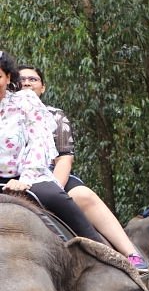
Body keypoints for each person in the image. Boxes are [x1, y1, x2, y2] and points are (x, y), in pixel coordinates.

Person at [18, 64, 149, 270]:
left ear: (43, 87)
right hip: (14, 177)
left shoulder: (54, 116)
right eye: (21, 79)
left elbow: (64, 158)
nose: (26, 82)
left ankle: (128, 253)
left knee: (82, 195)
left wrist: (52, 190)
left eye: (32, 79)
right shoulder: (6, 114)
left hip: (51, 175)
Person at [0, 51, 108, 247]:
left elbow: (38, 140)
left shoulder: (25, 101)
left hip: (26, 177)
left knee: (55, 197)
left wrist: (24, 180)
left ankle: (100, 252)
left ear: (8, 78)